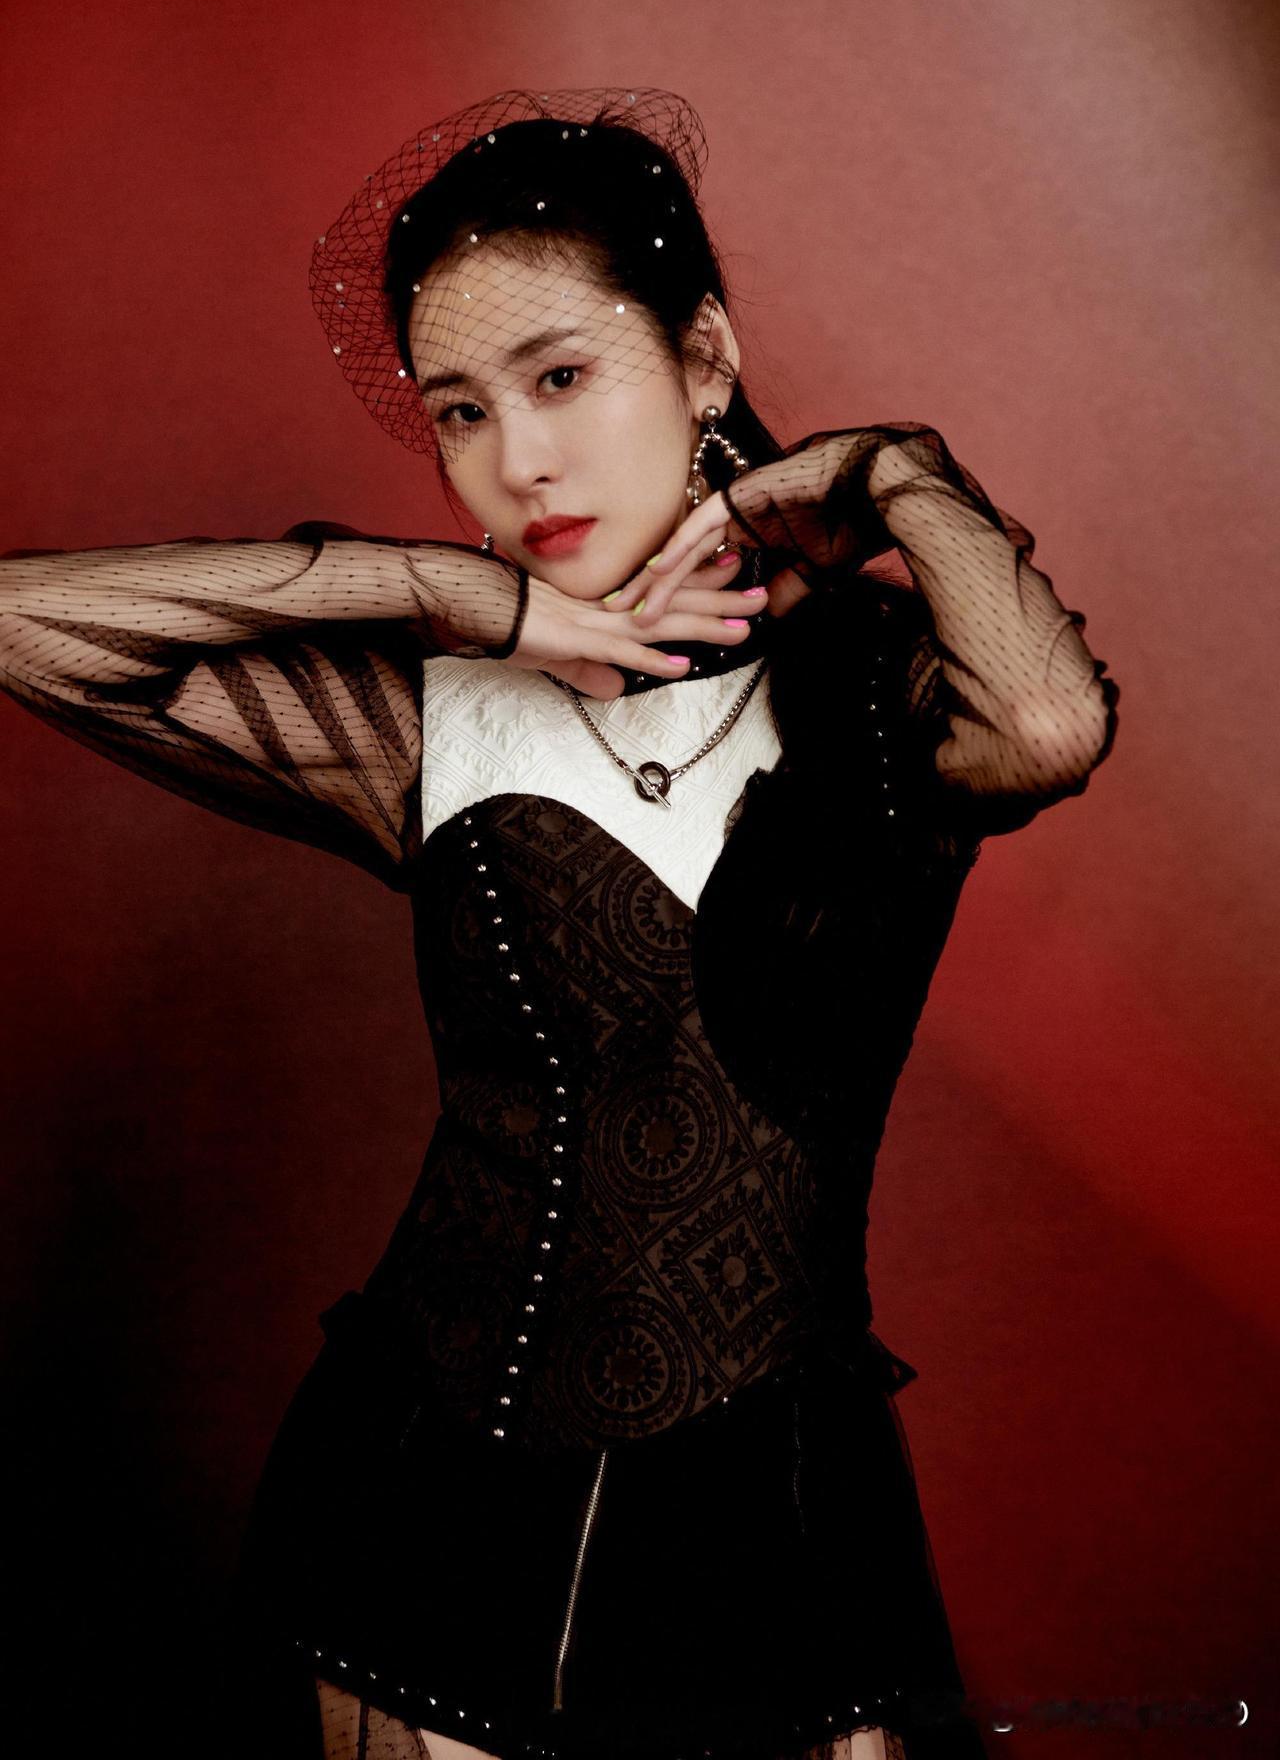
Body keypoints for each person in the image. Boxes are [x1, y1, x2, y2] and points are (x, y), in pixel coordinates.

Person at [0, 87, 1120, 1760]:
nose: (515, 461)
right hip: (426, 1511)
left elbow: (1050, 726)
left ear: (705, 357)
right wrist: (457, 594)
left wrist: (890, 472)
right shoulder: (434, 722)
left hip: (782, 1528)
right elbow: (24, 627)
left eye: (561, 378)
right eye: (458, 411)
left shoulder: (882, 696)